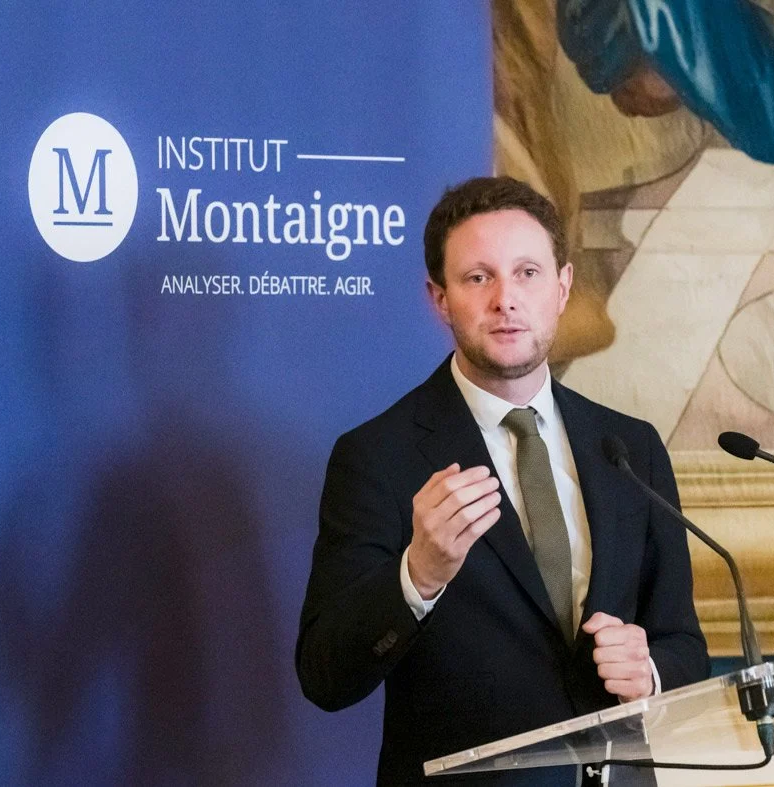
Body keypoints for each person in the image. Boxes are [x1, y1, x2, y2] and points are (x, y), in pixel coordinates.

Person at [296, 176, 709, 785]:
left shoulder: (630, 448)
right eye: (478, 277)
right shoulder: (377, 456)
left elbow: (684, 646)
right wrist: (418, 575)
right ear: (440, 299)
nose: (506, 300)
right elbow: (325, 676)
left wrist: (648, 672)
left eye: (527, 273)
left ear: (563, 287)